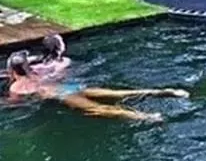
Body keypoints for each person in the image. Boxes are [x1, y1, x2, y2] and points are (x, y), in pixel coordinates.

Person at [6, 51, 189, 122]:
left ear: (13, 71)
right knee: (119, 93)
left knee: (97, 109)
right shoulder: (39, 73)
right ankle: (167, 92)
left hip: (62, 95)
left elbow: (17, 103)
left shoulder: (16, 87)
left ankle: (147, 117)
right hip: (71, 87)